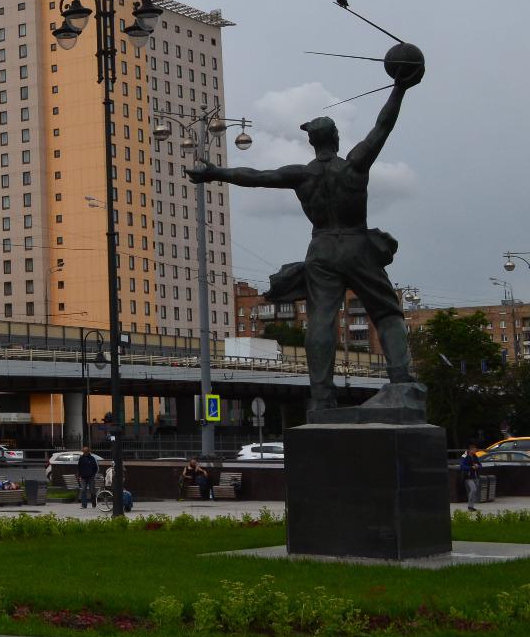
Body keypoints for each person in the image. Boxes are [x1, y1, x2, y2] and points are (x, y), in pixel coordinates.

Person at [187, 54, 423, 417]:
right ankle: (400, 375)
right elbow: (382, 127)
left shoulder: (302, 175)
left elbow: (255, 175)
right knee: (386, 312)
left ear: (312, 142)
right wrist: (398, 89)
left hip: (322, 249)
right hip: (357, 245)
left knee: (321, 320)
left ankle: (322, 396)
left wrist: (215, 172)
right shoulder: (356, 164)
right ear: (337, 138)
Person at [461, 442, 481, 513]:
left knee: (474, 492)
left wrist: (478, 466)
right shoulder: (464, 455)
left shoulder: (475, 456)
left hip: (476, 476)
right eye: (474, 450)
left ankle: (471, 507)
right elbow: (462, 466)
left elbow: (480, 465)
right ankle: (469, 506)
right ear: (470, 450)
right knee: (473, 489)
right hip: (468, 477)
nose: (475, 451)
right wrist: (471, 467)